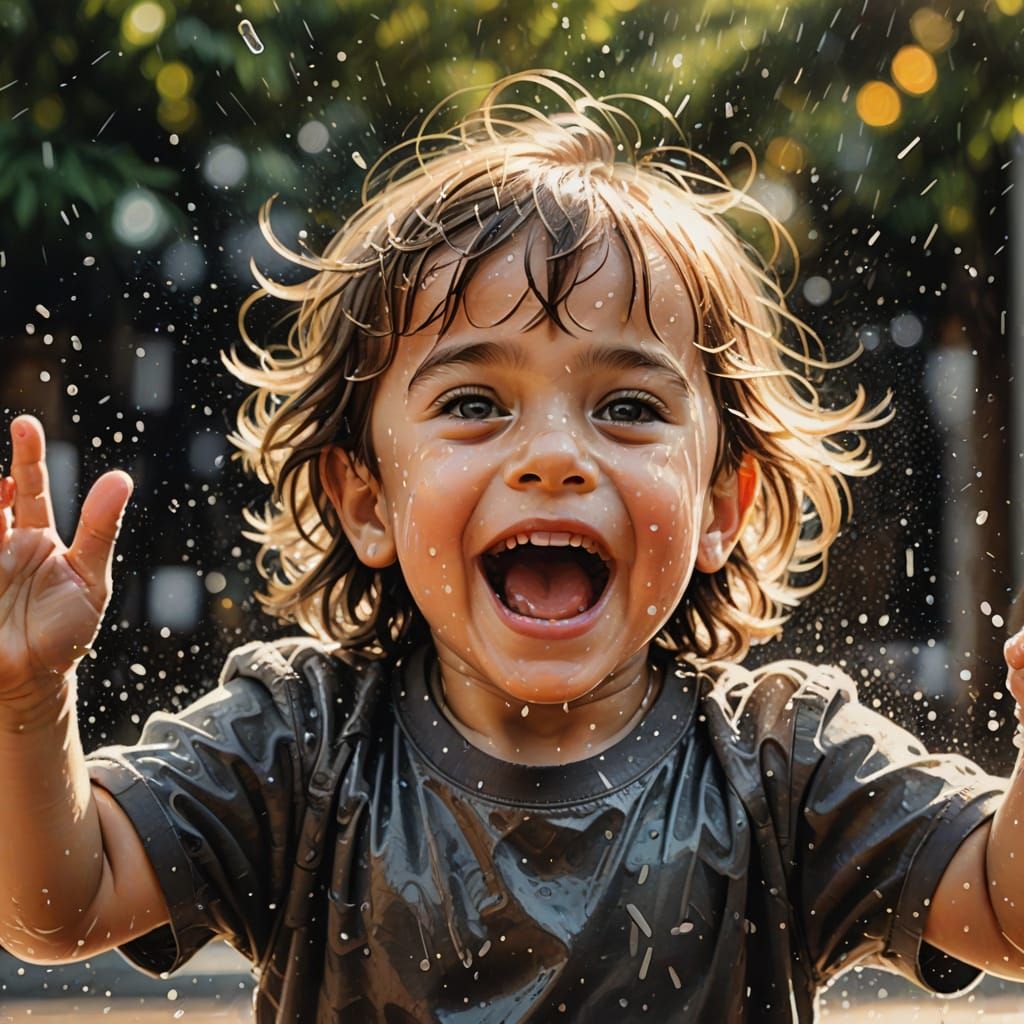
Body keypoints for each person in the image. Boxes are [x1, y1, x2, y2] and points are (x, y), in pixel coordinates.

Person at [1, 68, 1023, 1023]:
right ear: (366, 498)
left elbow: (1002, 910)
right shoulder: (298, 748)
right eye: (475, 401)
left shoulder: (781, 765)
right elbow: (55, 904)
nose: (551, 457)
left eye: (625, 406)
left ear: (719, 504)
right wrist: (26, 702)